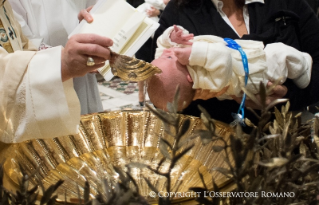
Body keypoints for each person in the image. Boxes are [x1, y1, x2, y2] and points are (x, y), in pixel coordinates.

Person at [152, 0, 319, 125]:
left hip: (285, 145)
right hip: (214, 151)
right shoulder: (177, 13)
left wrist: (288, 97)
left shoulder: (289, 3)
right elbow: (163, 90)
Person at [0, 1, 112, 143]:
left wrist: (84, 29)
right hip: (41, 92)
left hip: (75, 77)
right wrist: (62, 62)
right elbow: (24, 46)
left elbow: (20, 41)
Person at [148, 25, 312, 112]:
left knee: (279, 51)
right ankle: (303, 71)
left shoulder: (174, 60)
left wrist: (172, 36)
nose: (169, 51)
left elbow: (161, 46)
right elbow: (223, 58)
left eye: (162, 56)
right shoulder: (207, 80)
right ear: (189, 78)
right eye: (168, 57)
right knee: (280, 52)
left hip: (248, 58)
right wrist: (196, 53)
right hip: (259, 73)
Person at [9, 0, 103, 115]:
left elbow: (98, 8)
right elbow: (17, 40)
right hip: (38, 84)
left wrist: (89, 26)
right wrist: (63, 60)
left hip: (83, 81)